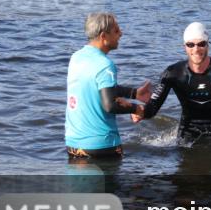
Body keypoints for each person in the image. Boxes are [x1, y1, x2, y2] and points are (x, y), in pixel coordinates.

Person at [65, 12, 151, 161]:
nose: (121, 34)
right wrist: (135, 109)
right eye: (116, 31)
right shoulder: (105, 65)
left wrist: (134, 93)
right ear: (104, 36)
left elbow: (98, 88)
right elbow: (110, 105)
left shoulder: (76, 57)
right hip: (102, 147)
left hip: (73, 145)